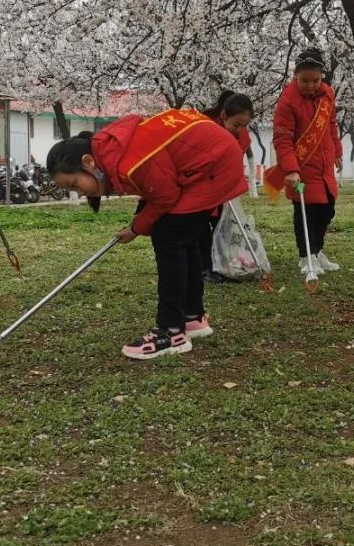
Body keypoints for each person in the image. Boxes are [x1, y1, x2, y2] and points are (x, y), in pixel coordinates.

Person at [47, 109, 247, 359]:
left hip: (213, 164)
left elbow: (164, 196)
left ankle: (170, 332)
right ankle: (192, 318)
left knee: (169, 238)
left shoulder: (128, 160)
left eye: (74, 184)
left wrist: (137, 227)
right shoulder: (111, 147)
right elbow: (154, 186)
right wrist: (139, 220)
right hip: (213, 159)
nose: (79, 192)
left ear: (88, 162)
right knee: (183, 237)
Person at [265, 48, 344, 276]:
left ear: (322, 77)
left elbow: (331, 126)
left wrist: (337, 150)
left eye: (316, 80)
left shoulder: (327, 95)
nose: (311, 85)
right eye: (305, 81)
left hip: (324, 166)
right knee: (305, 213)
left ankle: (317, 252)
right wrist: (290, 169)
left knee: (326, 211)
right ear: (295, 76)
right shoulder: (287, 102)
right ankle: (305, 256)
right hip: (300, 169)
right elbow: (282, 139)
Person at [199, 90, 255, 282]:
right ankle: (205, 268)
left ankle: (223, 264)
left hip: (226, 186)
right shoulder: (207, 129)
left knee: (222, 228)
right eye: (236, 124)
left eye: (244, 125)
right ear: (223, 115)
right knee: (202, 229)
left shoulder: (241, 133)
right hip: (204, 188)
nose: (239, 129)